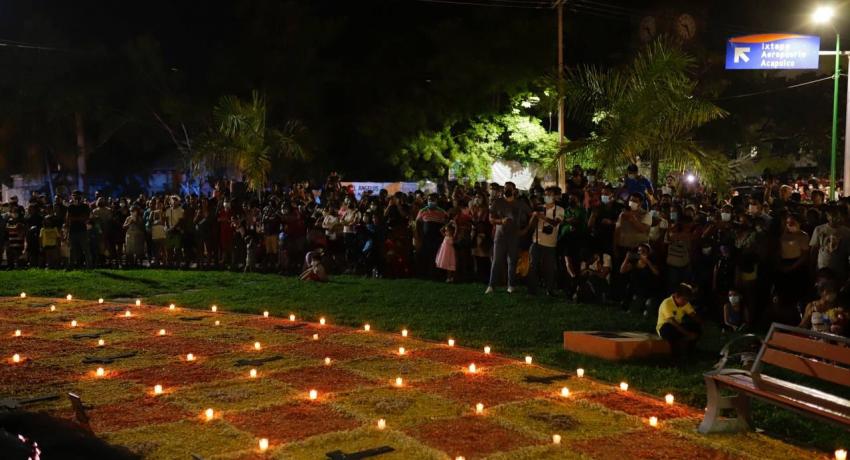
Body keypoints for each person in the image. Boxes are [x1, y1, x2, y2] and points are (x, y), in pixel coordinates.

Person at [486, 181, 531, 294]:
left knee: (512, 261)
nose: (507, 190)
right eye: (506, 188)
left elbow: (532, 215)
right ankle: (491, 285)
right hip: (500, 236)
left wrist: (525, 229)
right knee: (496, 261)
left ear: (514, 190)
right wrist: (501, 221)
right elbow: (491, 219)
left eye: (509, 188)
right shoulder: (498, 202)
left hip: (514, 237)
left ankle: (511, 285)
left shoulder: (520, 203)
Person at [527, 186, 563, 296]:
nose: (547, 197)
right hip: (536, 241)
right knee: (532, 266)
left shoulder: (559, 210)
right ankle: (532, 290)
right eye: (546, 195)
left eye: (550, 195)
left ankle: (550, 289)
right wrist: (534, 217)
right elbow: (531, 225)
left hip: (550, 243)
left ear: (555, 196)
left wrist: (542, 217)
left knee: (549, 268)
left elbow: (555, 223)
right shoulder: (539, 208)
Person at [656, 283, 702, 365]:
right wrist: (687, 333)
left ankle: (690, 352)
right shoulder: (667, 303)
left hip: (678, 327)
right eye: (684, 299)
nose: (686, 302)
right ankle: (675, 357)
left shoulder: (685, 302)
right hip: (665, 328)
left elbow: (693, 315)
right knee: (669, 328)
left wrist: (700, 323)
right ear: (676, 295)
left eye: (687, 300)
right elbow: (673, 323)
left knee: (695, 327)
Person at [66, 190, 92, 269]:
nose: (75, 197)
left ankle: (89, 266)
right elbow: (68, 218)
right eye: (74, 195)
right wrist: (78, 218)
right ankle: (71, 265)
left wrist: (74, 218)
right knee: (72, 250)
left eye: (77, 196)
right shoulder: (70, 206)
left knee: (85, 249)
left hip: (82, 231)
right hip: (72, 230)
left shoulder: (85, 206)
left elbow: (85, 218)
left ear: (81, 197)